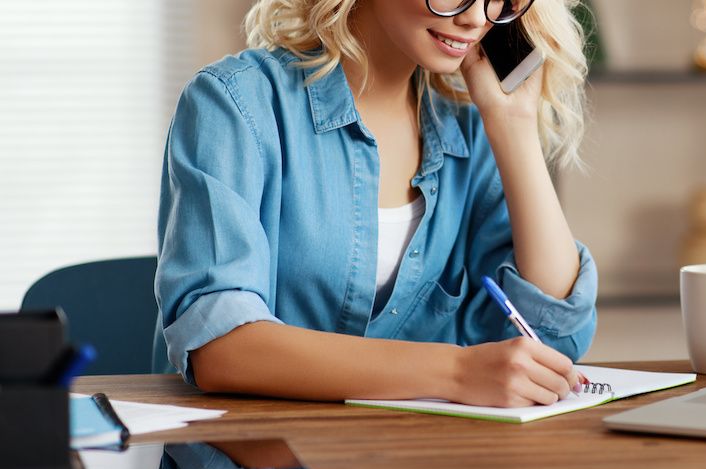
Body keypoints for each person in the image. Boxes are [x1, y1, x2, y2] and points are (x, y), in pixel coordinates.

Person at [153, 0, 597, 407]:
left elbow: (555, 336)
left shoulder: (469, 131)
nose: (476, 19)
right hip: (256, 460)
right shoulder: (235, 104)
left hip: (413, 460)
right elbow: (221, 349)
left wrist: (514, 124)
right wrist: (457, 372)